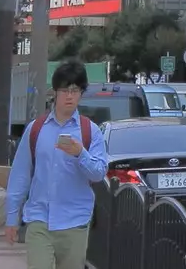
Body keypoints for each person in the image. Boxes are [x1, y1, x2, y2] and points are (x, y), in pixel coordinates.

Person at [6, 60, 110, 269]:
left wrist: (81, 153)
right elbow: (20, 176)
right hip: (38, 220)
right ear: (55, 92)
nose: (69, 96)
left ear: (81, 92)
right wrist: (11, 218)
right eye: (64, 90)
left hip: (75, 221)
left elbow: (98, 173)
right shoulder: (36, 129)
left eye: (75, 90)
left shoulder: (91, 132)